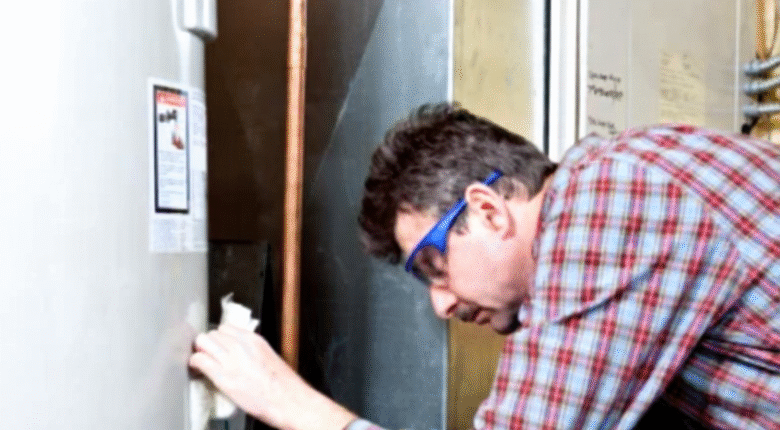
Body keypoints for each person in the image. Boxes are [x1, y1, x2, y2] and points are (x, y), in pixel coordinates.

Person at [189, 103, 780, 430]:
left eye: (433, 266)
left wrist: (295, 407)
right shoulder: (629, 178)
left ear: (488, 210)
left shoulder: (610, 198)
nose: (441, 304)